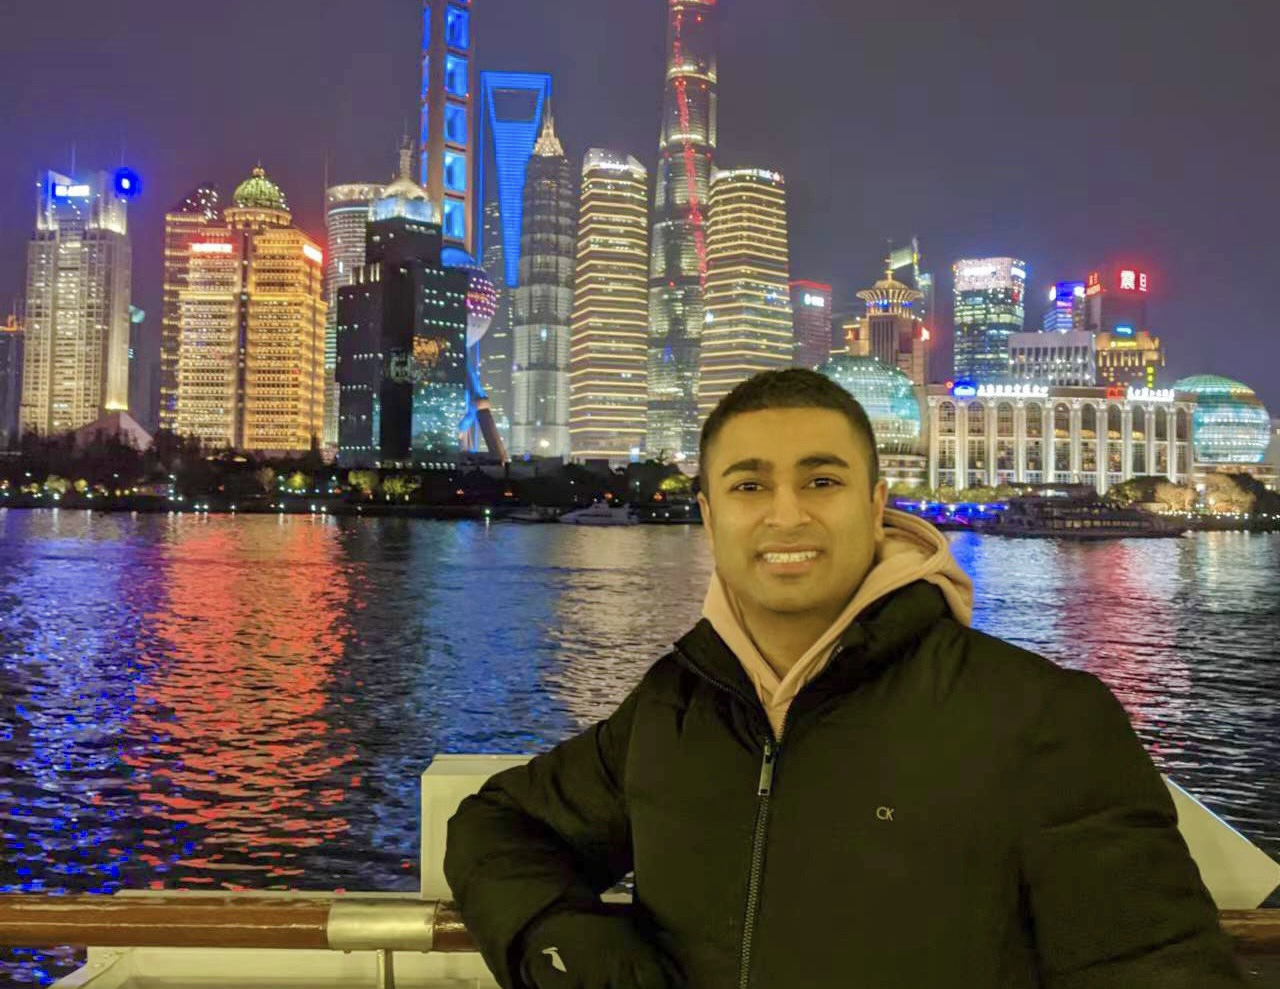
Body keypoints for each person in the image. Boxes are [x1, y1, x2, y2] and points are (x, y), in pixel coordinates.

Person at [444, 368, 1246, 988]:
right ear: (710, 513)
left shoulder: (1041, 720)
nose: (785, 514)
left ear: (876, 506)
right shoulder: (676, 708)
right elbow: (496, 825)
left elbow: (1156, 966)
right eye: (749, 484)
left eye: (821, 481)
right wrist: (569, 950)